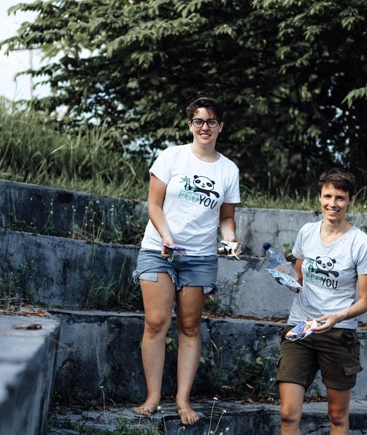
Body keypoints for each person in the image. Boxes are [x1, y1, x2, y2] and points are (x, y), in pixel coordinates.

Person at [132, 97, 241, 425]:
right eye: (199, 121)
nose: (205, 127)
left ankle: (182, 400)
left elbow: (226, 218)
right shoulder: (171, 156)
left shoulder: (228, 169)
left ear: (221, 127)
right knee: (156, 323)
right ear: (190, 125)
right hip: (158, 250)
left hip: (200, 258)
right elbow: (154, 205)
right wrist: (166, 235)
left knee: (190, 327)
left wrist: (230, 239)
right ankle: (153, 397)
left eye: (211, 122)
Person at [277, 168, 367, 435]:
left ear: (351, 200)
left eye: (340, 198)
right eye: (327, 196)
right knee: (288, 415)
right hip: (300, 327)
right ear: (319, 196)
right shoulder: (307, 232)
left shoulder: (361, 243)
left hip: (338, 332)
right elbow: (298, 281)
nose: (332, 204)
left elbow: (365, 301)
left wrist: (336, 317)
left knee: (337, 416)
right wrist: (285, 276)